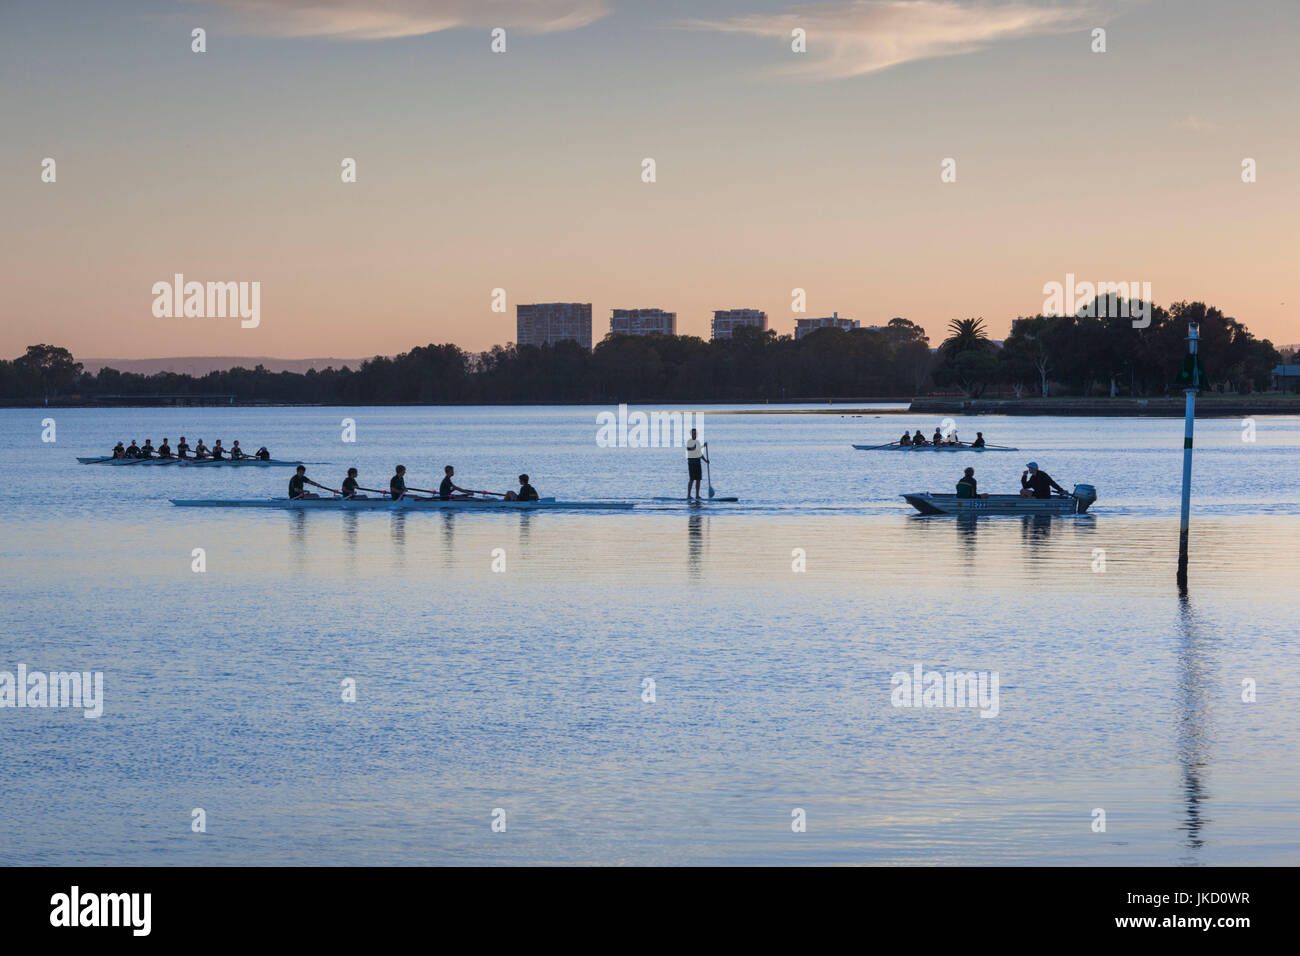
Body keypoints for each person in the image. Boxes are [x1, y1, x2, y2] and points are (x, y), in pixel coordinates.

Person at [685, 429, 708, 499]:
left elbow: (699, 453)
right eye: (693, 434)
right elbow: (689, 449)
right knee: (692, 479)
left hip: (698, 463)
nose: (694, 435)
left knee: (698, 479)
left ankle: (697, 495)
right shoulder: (689, 441)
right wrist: (702, 446)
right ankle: (688, 495)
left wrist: (706, 461)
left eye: (695, 433)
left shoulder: (697, 442)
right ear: (691, 434)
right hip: (691, 463)